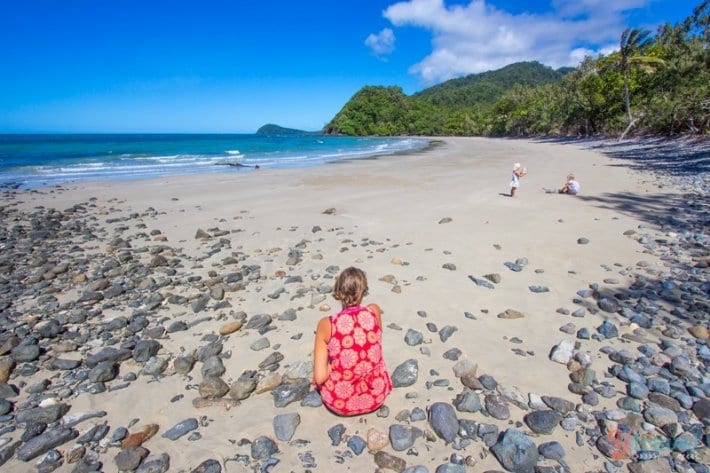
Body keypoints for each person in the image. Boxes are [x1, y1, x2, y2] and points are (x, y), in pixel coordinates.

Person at [312, 267, 392, 416]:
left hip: (341, 403)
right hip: (376, 396)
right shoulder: (374, 311)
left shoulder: (327, 324)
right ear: (364, 291)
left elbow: (320, 377)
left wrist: (332, 364)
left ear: (337, 291)